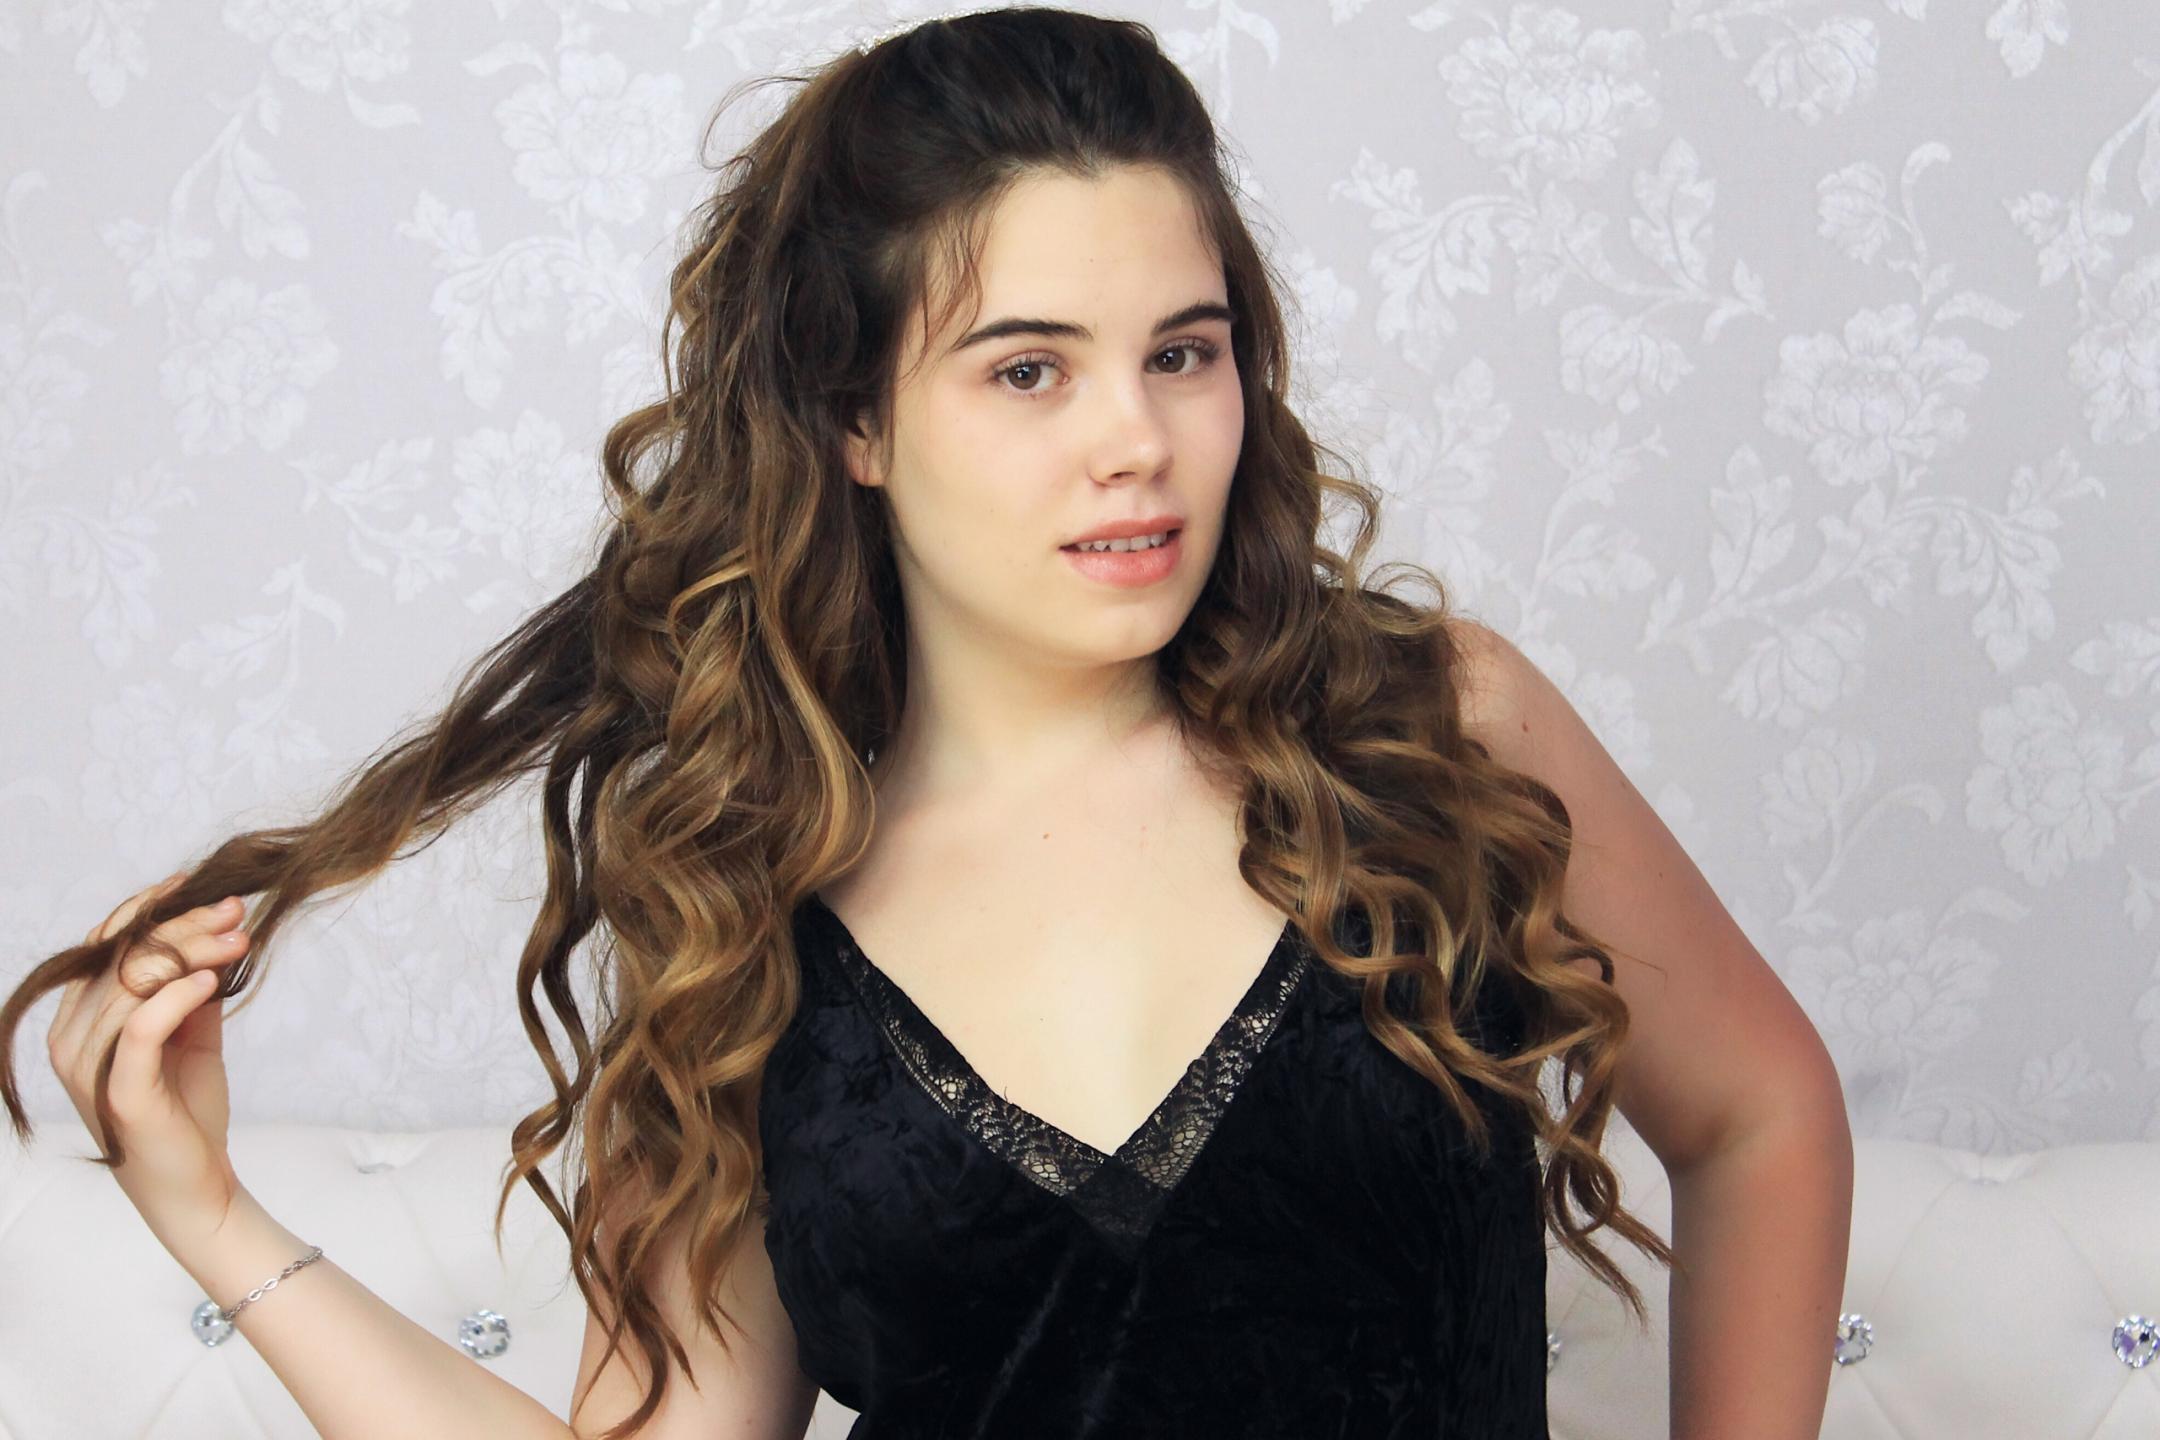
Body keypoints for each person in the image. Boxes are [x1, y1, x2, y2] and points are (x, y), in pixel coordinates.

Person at [3, 7, 1853, 1439]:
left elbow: (1762, 1112)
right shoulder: (744, 924)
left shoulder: (1430, 735)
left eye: (1183, 352)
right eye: (1029, 368)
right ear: (857, 424)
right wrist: (215, 1214)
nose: (1135, 440)